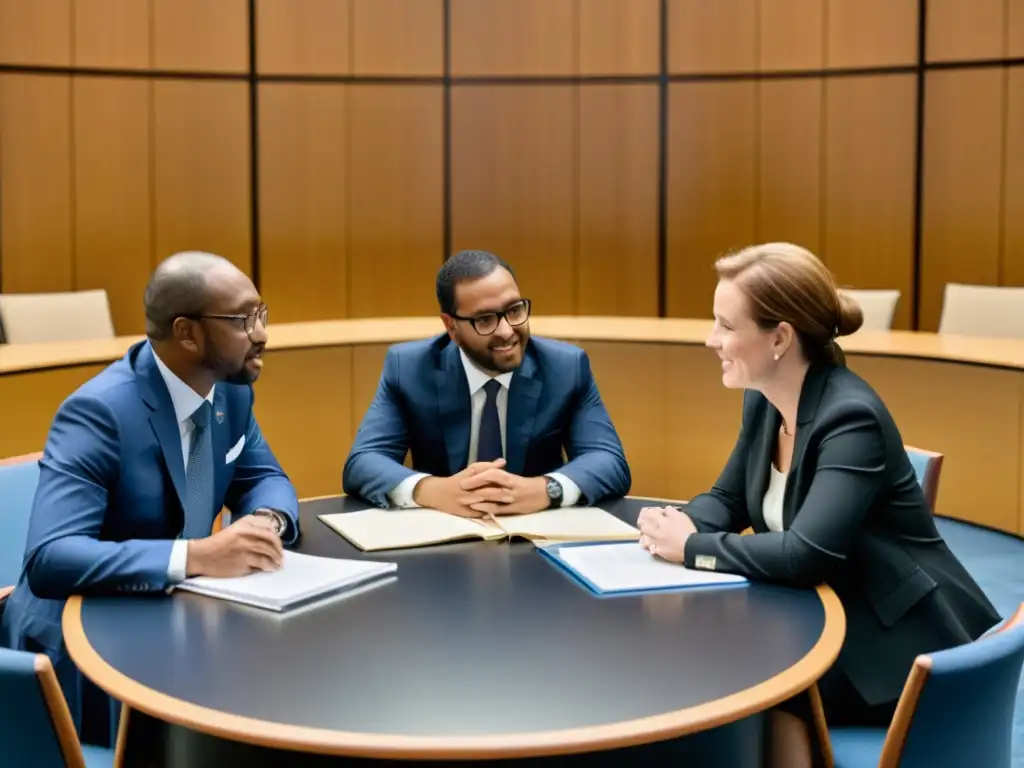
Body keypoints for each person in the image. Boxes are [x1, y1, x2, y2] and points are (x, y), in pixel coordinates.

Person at [636, 243, 1000, 757]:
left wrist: (693, 546)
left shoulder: (851, 418)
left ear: (780, 336)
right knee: (699, 666)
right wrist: (675, 525)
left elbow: (807, 554)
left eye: (726, 325)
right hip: (819, 611)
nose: (710, 339)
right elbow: (728, 497)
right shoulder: (765, 398)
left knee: (747, 689)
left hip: (888, 643)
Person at [1, 251, 299, 741]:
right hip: (81, 650)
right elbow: (50, 558)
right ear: (187, 333)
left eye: (261, 314)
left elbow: (265, 477)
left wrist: (266, 520)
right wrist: (197, 555)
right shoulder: (98, 413)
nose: (262, 332)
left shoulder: (231, 392)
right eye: (243, 319)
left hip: (172, 622)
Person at [343, 249, 630, 517]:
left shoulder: (566, 367)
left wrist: (545, 490)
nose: (506, 331)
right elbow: (364, 462)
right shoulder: (408, 369)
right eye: (485, 319)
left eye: (514, 310)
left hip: (535, 537)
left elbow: (608, 460)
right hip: (442, 540)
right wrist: (433, 491)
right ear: (451, 326)